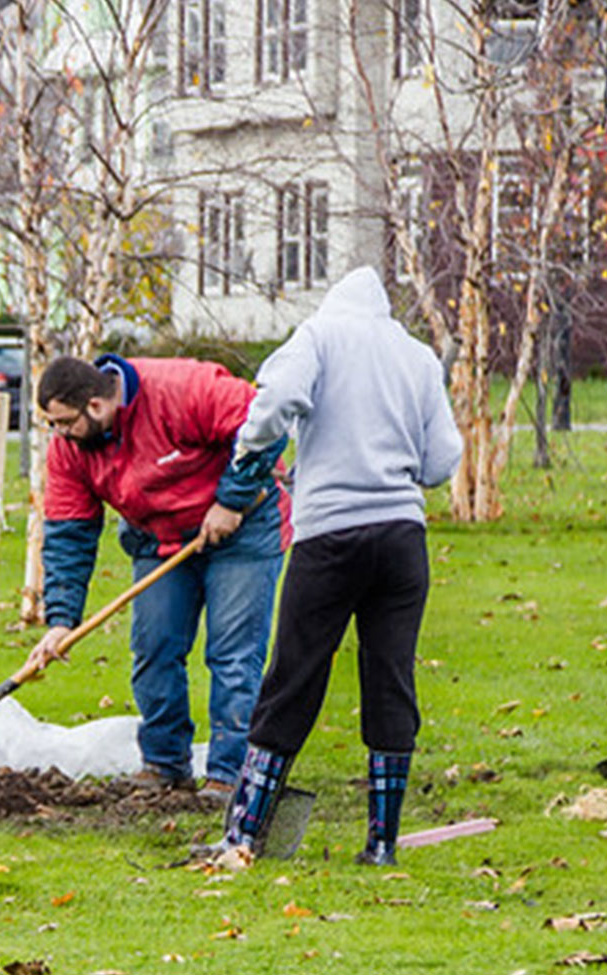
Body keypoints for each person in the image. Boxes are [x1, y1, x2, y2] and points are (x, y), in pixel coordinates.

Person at [199, 267, 462, 866]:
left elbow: (280, 399)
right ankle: (382, 843)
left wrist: (253, 445)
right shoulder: (417, 357)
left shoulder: (317, 336)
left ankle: (243, 837)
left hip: (329, 537)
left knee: (294, 675)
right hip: (402, 540)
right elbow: (443, 459)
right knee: (391, 678)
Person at [23, 353, 290, 800]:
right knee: (154, 648)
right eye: (52, 425)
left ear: (95, 405)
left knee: (232, 655)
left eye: (64, 422)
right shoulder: (70, 450)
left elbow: (264, 424)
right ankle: (164, 764)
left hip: (243, 529)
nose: (59, 434)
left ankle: (230, 776)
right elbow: (69, 532)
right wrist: (62, 620)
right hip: (160, 539)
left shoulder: (182, 389)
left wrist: (232, 500)